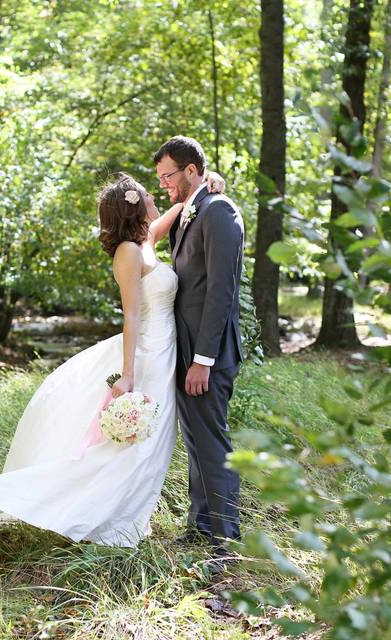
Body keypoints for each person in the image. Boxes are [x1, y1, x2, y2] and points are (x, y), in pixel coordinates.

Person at [0, 169, 225, 548]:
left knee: (154, 444)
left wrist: (206, 183)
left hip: (165, 351)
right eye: (148, 195)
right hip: (146, 355)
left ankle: (126, 519)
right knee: (136, 445)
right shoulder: (128, 253)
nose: (154, 198)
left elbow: (181, 206)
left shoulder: (145, 239)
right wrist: (128, 376)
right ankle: (97, 519)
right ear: (133, 207)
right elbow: (130, 314)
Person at [153, 136, 244, 563]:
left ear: (192, 171)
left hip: (208, 354)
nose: (164, 185)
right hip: (186, 350)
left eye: (169, 175)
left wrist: (203, 359)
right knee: (197, 443)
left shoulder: (220, 211)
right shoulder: (196, 208)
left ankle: (226, 540)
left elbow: (221, 292)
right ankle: (200, 525)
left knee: (212, 443)